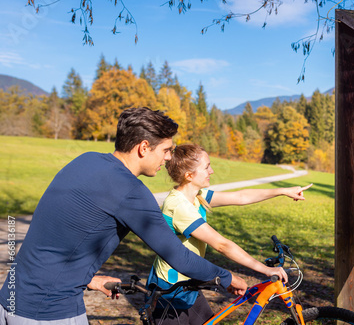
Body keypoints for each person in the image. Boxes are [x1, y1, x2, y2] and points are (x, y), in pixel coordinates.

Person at [0, 107, 247, 325]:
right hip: (48, 312)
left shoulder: (85, 160)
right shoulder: (131, 192)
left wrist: (90, 280)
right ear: (143, 148)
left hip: (10, 298)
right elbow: (178, 256)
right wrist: (227, 277)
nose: (169, 157)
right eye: (166, 150)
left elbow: (58, 238)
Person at [147, 143, 312, 324]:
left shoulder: (197, 195)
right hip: (172, 293)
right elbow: (221, 245)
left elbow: (240, 197)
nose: (211, 171)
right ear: (189, 175)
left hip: (189, 285)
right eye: (206, 167)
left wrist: (283, 191)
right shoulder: (179, 206)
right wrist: (264, 269)